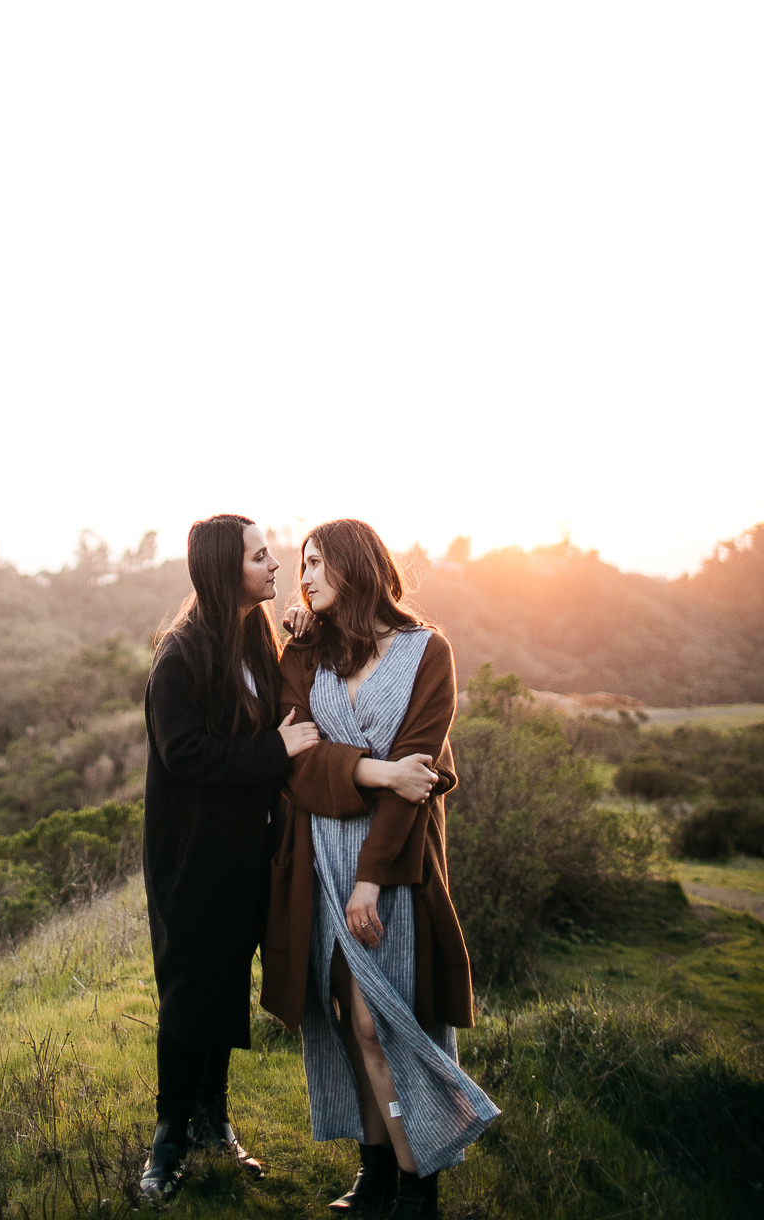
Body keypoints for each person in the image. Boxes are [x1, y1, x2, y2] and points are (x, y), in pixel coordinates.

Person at [140, 513, 443, 1206]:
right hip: (191, 858)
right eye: (261, 557)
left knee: (222, 986)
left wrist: (303, 630)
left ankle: (214, 1121)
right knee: (190, 991)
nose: (276, 568)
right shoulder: (180, 654)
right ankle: (168, 1139)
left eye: (281, 557)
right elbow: (186, 753)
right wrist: (277, 751)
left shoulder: (253, 636)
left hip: (252, 851)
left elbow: (297, 685)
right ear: (226, 570)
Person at [261, 520, 499, 1220]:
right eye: (299, 565)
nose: (302, 577)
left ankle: (419, 1180)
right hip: (319, 860)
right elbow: (296, 770)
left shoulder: (430, 652)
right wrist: (376, 769)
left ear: (354, 563)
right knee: (346, 1018)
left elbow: (418, 781)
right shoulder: (305, 654)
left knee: (386, 1021)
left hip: (394, 860)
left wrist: (373, 876)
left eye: (314, 563)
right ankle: (376, 1173)